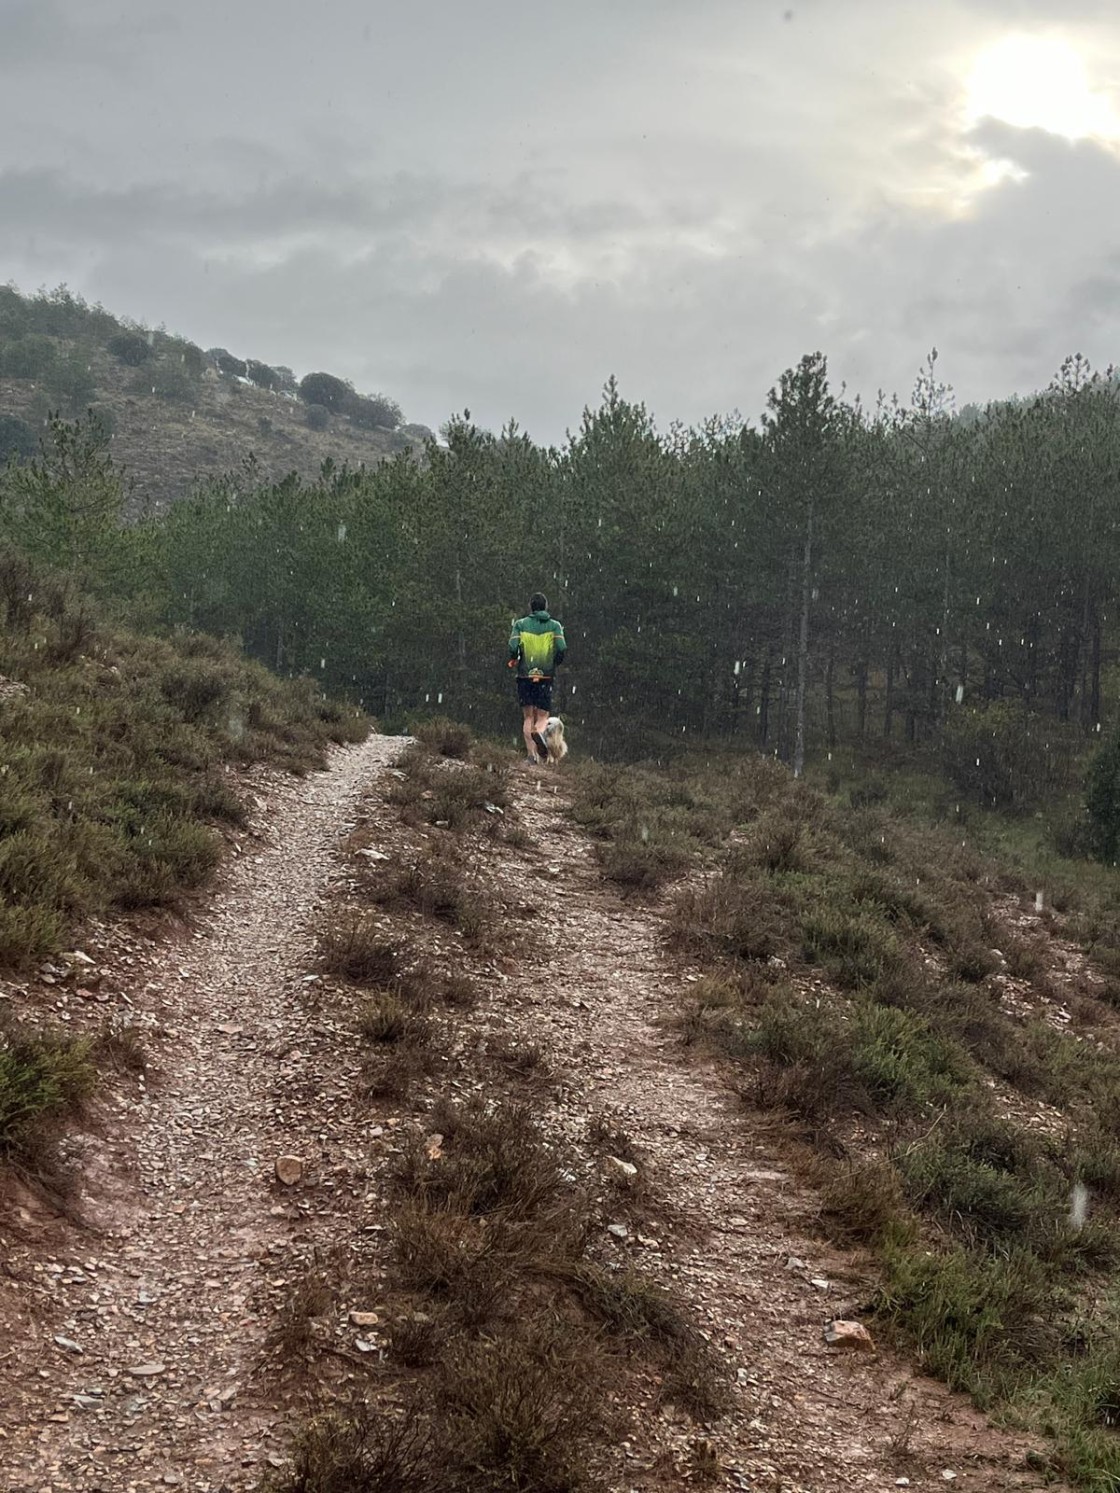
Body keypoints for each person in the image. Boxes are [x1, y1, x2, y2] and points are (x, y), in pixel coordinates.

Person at [508, 593, 566, 763]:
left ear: (531, 607)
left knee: (527, 717)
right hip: (546, 675)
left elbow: (513, 646)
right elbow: (562, 648)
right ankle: (540, 734)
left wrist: (515, 657)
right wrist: (555, 661)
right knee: (542, 716)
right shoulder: (555, 626)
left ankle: (531, 756)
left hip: (525, 674)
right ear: (545, 607)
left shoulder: (520, 624)